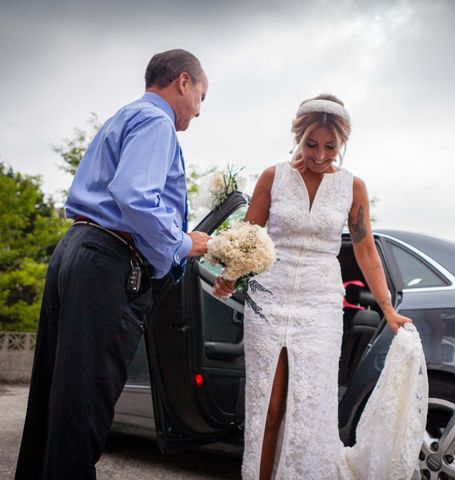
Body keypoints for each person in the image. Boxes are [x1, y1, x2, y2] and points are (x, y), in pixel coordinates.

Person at [15, 49, 210, 480]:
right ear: (183, 82)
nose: (199, 110)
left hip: (75, 250)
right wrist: (183, 244)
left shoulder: (124, 116)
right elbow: (135, 195)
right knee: (84, 402)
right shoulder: (158, 122)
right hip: (107, 260)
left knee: (56, 395)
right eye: (201, 96)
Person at [214, 94, 424, 479]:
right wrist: (229, 275)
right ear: (298, 136)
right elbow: (249, 236)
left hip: (321, 305)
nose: (320, 155)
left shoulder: (352, 187)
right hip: (270, 298)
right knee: (270, 406)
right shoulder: (272, 177)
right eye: (312, 144)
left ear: (342, 144)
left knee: (310, 409)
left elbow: (366, 252)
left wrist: (387, 307)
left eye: (330, 147)